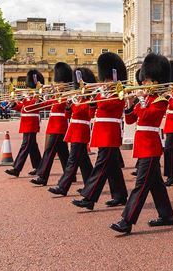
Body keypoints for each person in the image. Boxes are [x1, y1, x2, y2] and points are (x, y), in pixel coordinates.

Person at [110, 53, 173, 235]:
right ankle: (166, 215)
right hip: (143, 145)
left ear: (156, 81)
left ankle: (127, 220)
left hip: (150, 146)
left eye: (147, 81)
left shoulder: (161, 100)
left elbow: (149, 117)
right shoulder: (145, 100)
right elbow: (131, 120)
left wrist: (142, 100)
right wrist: (130, 104)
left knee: (140, 185)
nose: (144, 84)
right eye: (144, 81)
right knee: (156, 184)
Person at [74, 52, 129, 209]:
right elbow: (95, 111)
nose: (105, 82)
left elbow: (106, 106)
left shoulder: (119, 92)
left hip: (110, 132)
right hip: (102, 132)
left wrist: (100, 93)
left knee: (101, 166)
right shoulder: (104, 92)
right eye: (104, 79)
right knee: (112, 166)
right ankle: (120, 195)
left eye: (107, 79)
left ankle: (89, 198)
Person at [49, 68, 96, 196]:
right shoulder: (78, 98)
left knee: (72, 160)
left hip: (81, 131)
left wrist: (90, 101)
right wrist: (69, 106)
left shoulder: (89, 99)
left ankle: (62, 186)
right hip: (74, 131)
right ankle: (89, 185)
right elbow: (68, 115)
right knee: (83, 161)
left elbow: (91, 114)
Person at [28, 62, 72, 185]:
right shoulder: (57, 94)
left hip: (59, 126)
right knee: (64, 154)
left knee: (49, 152)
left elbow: (60, 106)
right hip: (54, 126)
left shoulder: (67, 95)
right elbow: (46, 106)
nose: (58, 84)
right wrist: (39, 97)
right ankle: (70, 175)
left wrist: (53, 92)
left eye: (60, 82)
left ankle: (42, 177)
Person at [4, 69, 44, 177]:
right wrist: (13, 104)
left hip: (31, 123)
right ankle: (39, 167)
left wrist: (34, 97)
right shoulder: (28, 96)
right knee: (32, 146)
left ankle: (16, 168)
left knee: (25, 145)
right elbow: (22, 108)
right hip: (26, 122)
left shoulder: (38, 96)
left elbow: (34, 107)